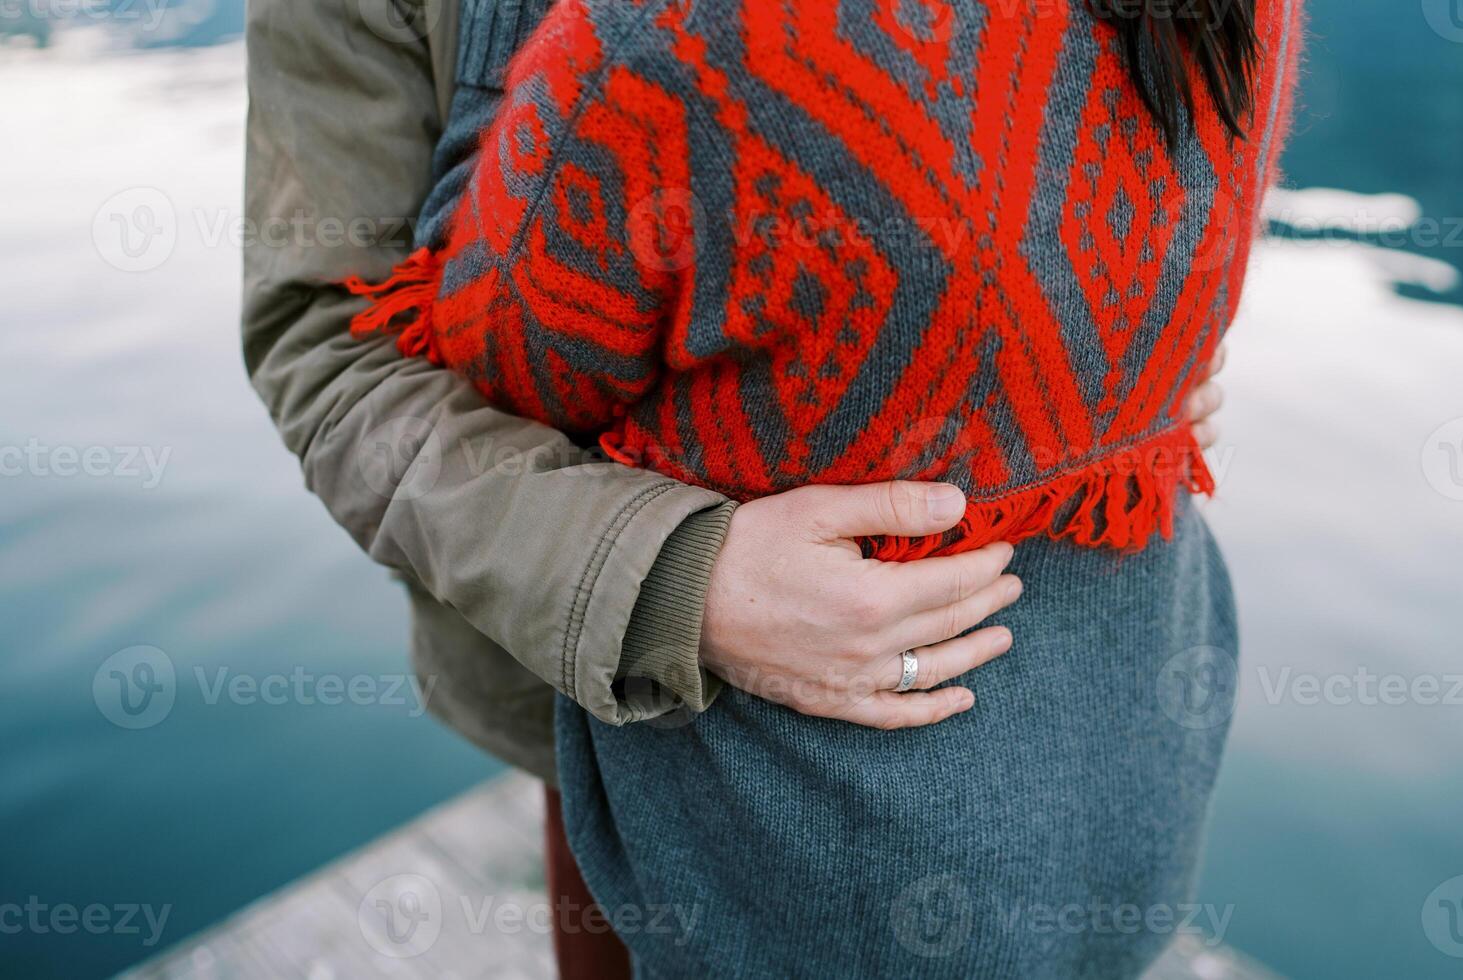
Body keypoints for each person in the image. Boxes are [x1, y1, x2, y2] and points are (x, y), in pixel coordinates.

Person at [242, 0, 1245, 975]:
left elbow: (1179, 123)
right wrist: (666, 578)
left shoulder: (646, 41)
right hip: (616, 679)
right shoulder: (645, 41)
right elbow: (332, 358)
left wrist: (1145, 339)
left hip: (1099, 719)